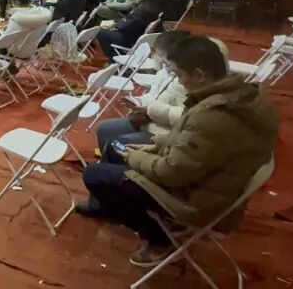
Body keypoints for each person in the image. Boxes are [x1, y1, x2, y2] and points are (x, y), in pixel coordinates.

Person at [78, 35, 279, 267]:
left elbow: (171, 172)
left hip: (195, 200)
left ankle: (160, 238)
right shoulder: (237, 95)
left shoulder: (215, 114)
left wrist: (137, 157)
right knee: (115, 149)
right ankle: (106, 206)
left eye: (179, 74)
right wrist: (158, 145)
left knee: (94, 175)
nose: (179, 81)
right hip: (206, 180)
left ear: (200, 75)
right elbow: (197, 143)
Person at [93, 31, 190, 163]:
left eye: (163, 56)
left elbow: (187, 116)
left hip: (163, 132)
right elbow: (153, 96)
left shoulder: (186, 81)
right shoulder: (164, 72)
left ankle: (120, 168)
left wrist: (151, 110)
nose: (159, 59)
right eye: (158, 55)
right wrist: (138, 103)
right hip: (148, 121)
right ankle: (109, 162)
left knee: (117, 144)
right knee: (104, 129)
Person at [95, 0, 163, 55]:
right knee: (106, 27)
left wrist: (115, 25)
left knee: (101, 32)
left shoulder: (144, 10)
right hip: (135, 35)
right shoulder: (153, 7)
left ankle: (113, 57)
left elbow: (127, 26)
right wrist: (117, 23)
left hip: (129, 38)